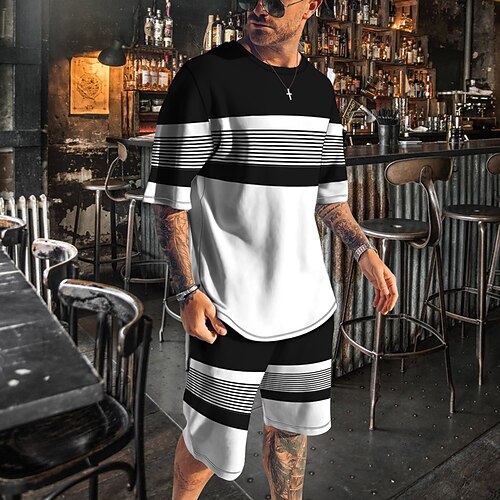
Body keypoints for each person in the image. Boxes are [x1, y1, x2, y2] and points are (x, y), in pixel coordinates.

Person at [144, 0, 398, 497]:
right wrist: (188, 291)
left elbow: (330, 200)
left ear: (311, 6)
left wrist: (365, 253)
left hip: (306, 304)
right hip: (227, 309)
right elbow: (170, 203)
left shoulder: (320, 90)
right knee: (206, 446)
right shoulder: (203, 78)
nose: (261, 7)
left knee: (289, 435)